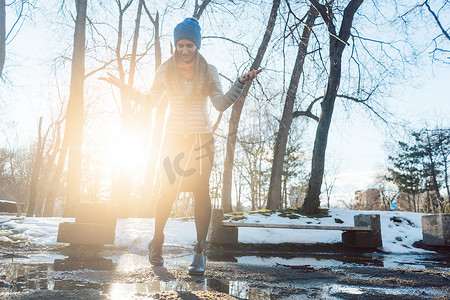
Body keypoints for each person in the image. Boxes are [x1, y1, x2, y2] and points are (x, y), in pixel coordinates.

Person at [102, 17, 261, 275]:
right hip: (173, 140)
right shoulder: (165, 70)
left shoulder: (209, 70)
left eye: (189, 45)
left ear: (197, 45)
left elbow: (220, 103)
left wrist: (241, 83)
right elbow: (150, 101)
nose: (185, 50)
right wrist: (125, 88)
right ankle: (157, 242)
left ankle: (200, 250)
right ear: (175, 45)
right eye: (180, 45)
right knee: (167, 192)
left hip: (202, 140)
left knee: (201, 192)